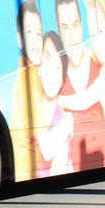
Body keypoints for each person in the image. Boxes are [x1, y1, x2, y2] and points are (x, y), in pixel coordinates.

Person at [60, 0, 105, 166]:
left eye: (100, 32)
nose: (96, 41)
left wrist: (59, 100)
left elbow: (84, 100)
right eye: (91, 35)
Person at [55, 0, 105, 171]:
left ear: (82, 25)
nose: (73, 36)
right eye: (66, 27)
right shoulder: (56, 78)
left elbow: (85, 101)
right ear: (59, 32)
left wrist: (56, 101)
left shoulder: (100, 65)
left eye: (76, 24)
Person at [10, 0, 45, 180]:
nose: (35, 41)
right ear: (19, 39)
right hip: (29, 165)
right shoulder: (26, 80)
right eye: (29, 32)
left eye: (39, 33)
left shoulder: (35, 74)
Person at [34, 32, 74, 177]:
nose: (52, 70)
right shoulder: (28, 108)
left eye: (58, 67)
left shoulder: (64, 120)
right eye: (48, 58)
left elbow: (48, 151)